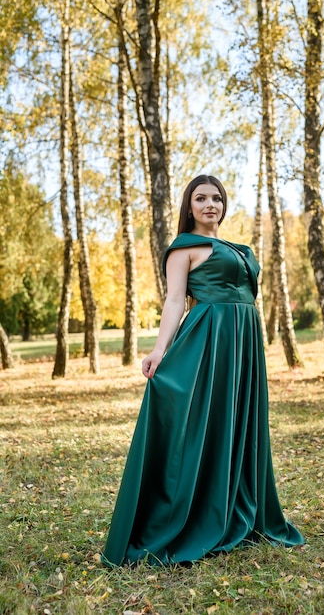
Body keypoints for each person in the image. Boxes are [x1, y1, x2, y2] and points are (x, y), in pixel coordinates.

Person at [101, 174, 304, 567]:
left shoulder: (237, 248)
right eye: (201, 198)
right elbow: (175, 301)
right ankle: (191, 514)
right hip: (209, 340)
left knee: (239, 422)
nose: (210, 205)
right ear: (189, 206)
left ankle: (237, 506)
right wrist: (159, 351)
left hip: (244, 343)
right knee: (205, 423)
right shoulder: (185, 248)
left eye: (217, 198)